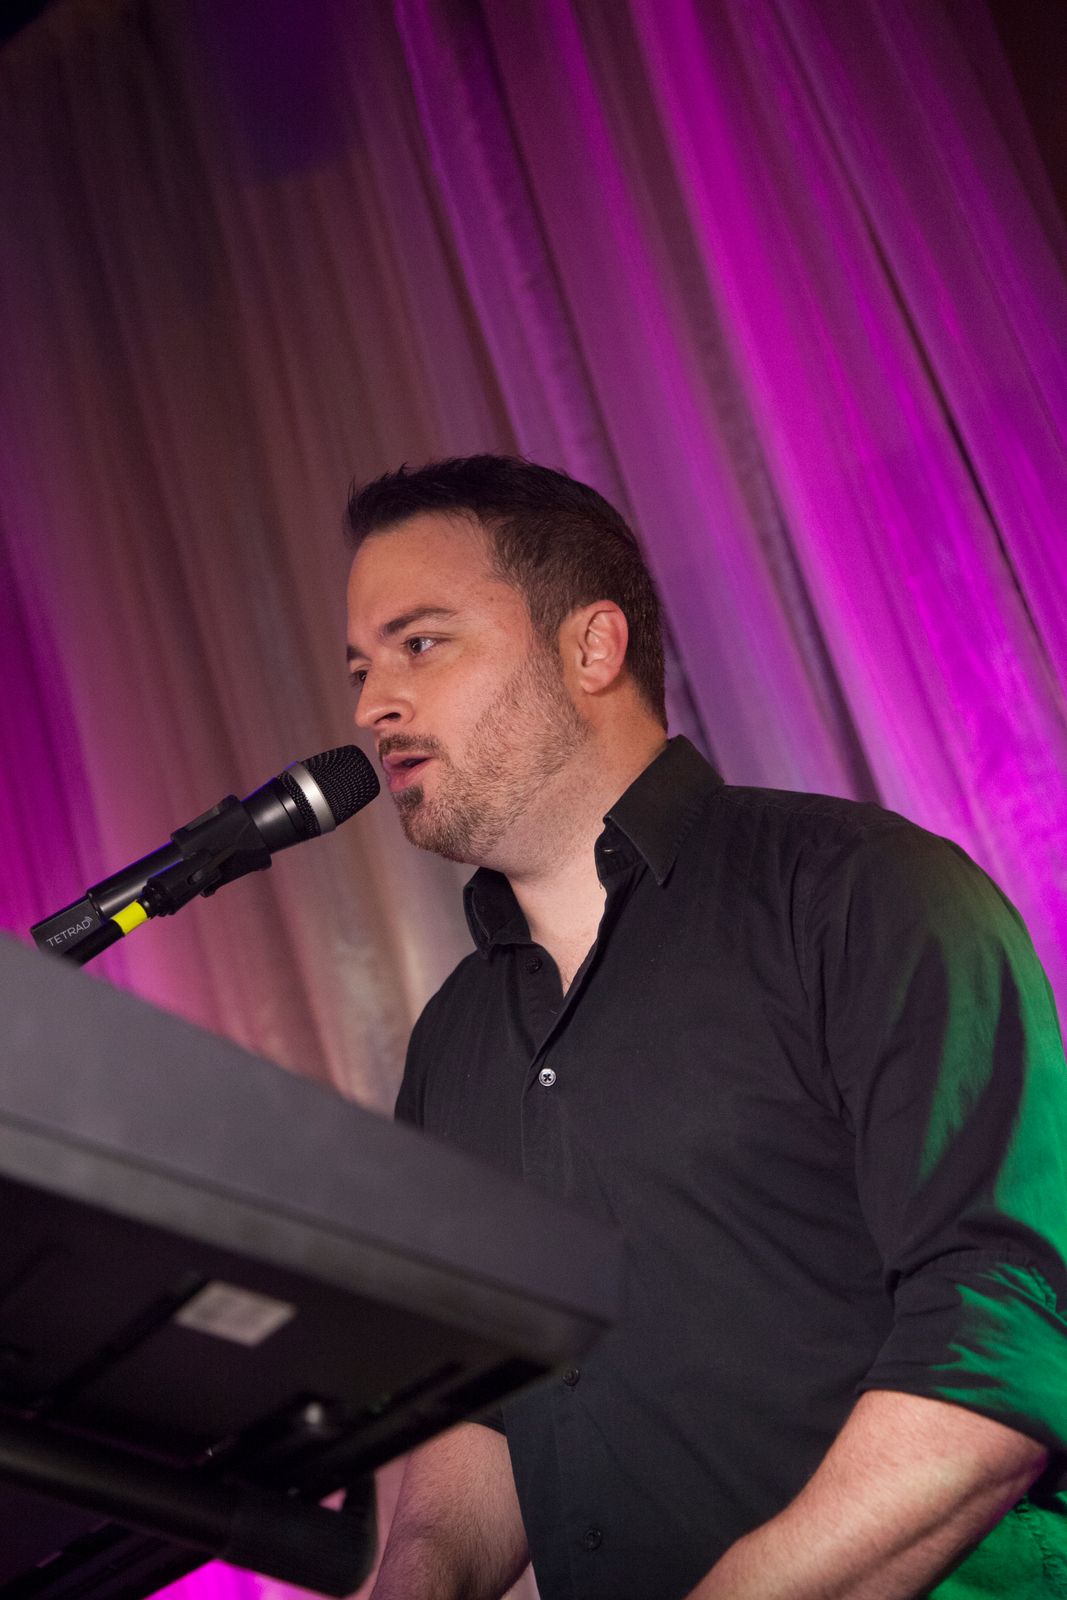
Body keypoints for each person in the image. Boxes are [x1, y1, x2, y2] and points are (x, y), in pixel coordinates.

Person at [343, 455, 1067, 1600]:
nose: (370, 705)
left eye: (418, 644)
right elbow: (486, 1411)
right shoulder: (448, 1045)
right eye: (359, 667)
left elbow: (1003, 1327)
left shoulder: (860, 892)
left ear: (592, 647)